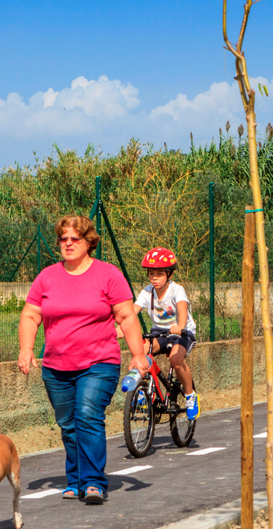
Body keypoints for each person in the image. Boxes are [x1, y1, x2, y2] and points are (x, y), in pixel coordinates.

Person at [17, 215, 149, 505]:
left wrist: (138, 354)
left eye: (74, 238)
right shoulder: (47, 277)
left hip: (99, 363)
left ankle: (93, 482)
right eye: (63, 238)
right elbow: (30, 315)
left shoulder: (108, 275)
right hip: (55, 366)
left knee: (87, 415)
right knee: (68, 424)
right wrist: (26, 348)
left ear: (89, 242)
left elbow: (126, 317)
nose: (67, 243)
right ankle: (75, 478)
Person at [118, 247, 200, 420]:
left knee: (175, 359)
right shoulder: (147, 292)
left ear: (169, 274)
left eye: (159, 274)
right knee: (140, 351)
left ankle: (190, 394)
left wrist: (180, 325)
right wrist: (121, 325)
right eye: (151, 273)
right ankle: (142, 392)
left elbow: (182, 309)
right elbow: (133, 310)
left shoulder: (177, 290)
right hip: (160, 332)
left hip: (182, 332)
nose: (154, 278)